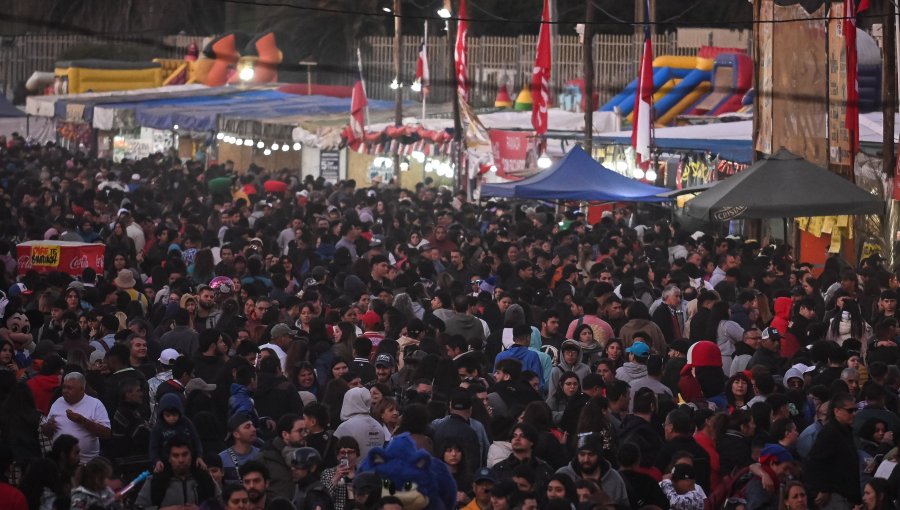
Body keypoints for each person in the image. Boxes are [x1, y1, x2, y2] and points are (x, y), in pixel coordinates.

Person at [805, 392, 861, 509]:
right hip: (836, 497)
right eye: (850, 411)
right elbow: (814, 461)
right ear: (836, 411)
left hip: (848, 496)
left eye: (856, 410)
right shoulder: (830, 433)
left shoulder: (846, 431)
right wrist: (824, 489)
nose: (854, 414)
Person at [135, 435, 220, 510]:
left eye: (185, 454)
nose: (181, 460)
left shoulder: (205, 479)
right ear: (169, 458)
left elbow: (223, 506)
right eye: (175, 456)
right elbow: (138, 507)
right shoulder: (155, 481)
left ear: (191, 456)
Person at [43, 372, 110, 465]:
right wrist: (48, 428)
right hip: (61, 463)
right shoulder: (58, 402)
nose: (65, 391)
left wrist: (82, 421)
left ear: (82, 389)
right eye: (64, 387)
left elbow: (106, 433)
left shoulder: (95, 404)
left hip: (87, 463)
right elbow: (46, 432)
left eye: (69, 388)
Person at [555, 433, 629, 507]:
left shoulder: (614, 478)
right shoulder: (563, 475)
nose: (586, 459)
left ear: (599, 455)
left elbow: (624, 506)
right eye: (582, 454)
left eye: (591, 455)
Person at [492, 423, 554, 495]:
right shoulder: (499, 469)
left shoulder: (544, 469)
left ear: (532, 441)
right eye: (514, 436)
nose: (517, 439)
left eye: (522, 436)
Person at [256, 413, 307, 500]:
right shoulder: (266, 456)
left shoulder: (308, 453)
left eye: (306, 430)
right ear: (285, 435)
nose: (305, 434)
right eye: (300, 431)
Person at [333, 387, 385, 460]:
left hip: (355, 469)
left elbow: (336, 453)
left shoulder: (345, 427)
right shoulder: (378, 425)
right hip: (376, 469)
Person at [220, 413, 262, 486]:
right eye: (247, 427)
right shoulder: (222, 459)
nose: (254, 429)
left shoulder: (261, 455)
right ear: (236, 434)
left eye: (253, 426)